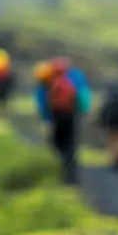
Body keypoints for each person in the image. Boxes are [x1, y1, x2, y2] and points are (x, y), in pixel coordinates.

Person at [34, 56, 91, 185]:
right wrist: (82, 110)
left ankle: (63, 167)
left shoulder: (49, 79)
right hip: (71, 115)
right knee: (70, 142)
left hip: (57, 116)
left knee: (56, 142)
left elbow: (43, 101)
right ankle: (71, 172)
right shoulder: (75, 76)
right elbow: (83, 95)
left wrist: (46, 118)